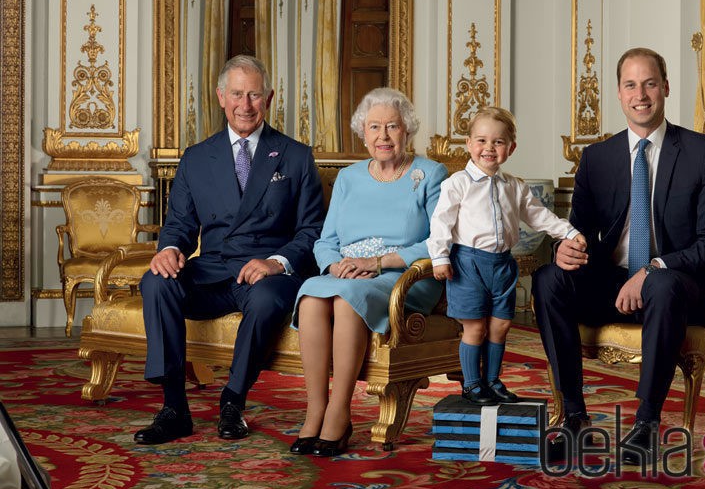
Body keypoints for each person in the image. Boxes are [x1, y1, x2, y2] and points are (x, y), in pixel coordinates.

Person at [533, 47, 705, 465]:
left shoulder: (702, 152)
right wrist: (564, 248)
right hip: (612, 283)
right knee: (549, 278)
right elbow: (581, 232)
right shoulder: (598, 157)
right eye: (630, 85)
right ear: (619, 94)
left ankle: (646, 424)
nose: (640, 94)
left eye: (649, 83)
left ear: (665, 88)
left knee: (660, 283)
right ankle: (573, 415)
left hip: (677, 286)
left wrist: (654, 267)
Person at [134, 55, 324, 445]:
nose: (246, 104)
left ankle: (233, 402)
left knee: (269, 298)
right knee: (156, 281)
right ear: (221, 97)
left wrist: (277, 262)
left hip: (266, 273)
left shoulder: (296, 155)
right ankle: (174, 407)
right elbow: (180, 226)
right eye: (237, 94)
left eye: (254, 95)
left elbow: (313, 230)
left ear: (269, 98)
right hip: (214, 269)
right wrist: (169, 249)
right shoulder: (197, 157)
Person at [289, 88, 448, 457]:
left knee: (347, 302)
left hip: (403, 277)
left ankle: (339, 412)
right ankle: (316, 409)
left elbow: (440, 241)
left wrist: (379, 263)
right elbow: (325, 240)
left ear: (407, 130)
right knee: (312, 295)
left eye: (393, 126)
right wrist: (335, 265)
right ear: (363, 133)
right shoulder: (348, 177)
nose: (383, 136)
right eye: (374, 127)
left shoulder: (430, 173)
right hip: (347, 273)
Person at [427, 107, 585, 406]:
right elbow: (441, 222)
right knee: (475, 327)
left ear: (510, 148)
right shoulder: (456, 184)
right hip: (468, 263)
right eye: (481, 141)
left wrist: (567, 232)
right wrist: (440, 257)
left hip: (502, 264)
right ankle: (472, 384)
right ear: (469, 144)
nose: (489, 148)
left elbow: (539, 216)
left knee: (500, 326)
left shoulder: (514, 186)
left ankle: (492, 380)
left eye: (498, 142)